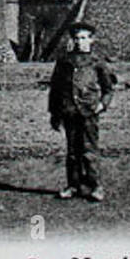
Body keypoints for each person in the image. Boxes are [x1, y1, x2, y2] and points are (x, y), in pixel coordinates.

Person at [48, 21, 116, 202]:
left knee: (88, 150)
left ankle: (96, 186)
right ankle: (73, 185)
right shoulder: (64, 61)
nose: (80, 42)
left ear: (92, 40)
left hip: (88, 112)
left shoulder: (97, 62)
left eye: (84, 38)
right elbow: (55, 89)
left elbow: (108, 88)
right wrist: (54, 114)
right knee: (72, 151)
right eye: (77, 38)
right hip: (69, 111)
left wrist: (102, 104)